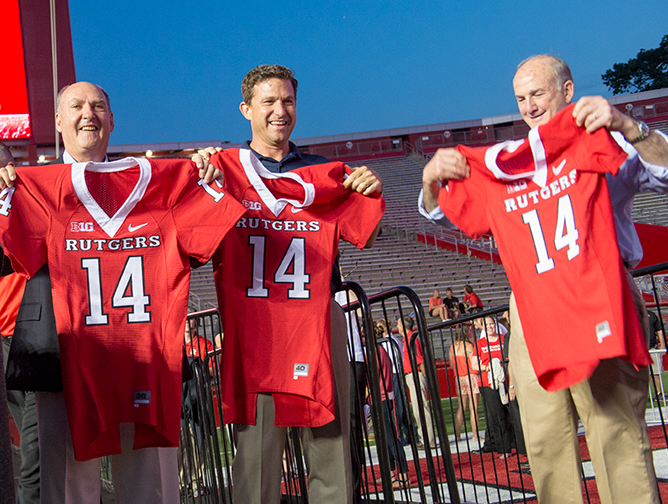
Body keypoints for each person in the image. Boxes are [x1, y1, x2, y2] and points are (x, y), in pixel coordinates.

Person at [419, 54, 668, 503]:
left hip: (600, 289)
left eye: (538, 93)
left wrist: (631, 127)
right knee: (545, 438)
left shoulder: (598, 137)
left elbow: (665, 170)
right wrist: (429, 180)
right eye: (520, 98)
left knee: (614, 428)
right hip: (533, 304)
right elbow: (442, 214)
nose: (529, 106)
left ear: (568, 91)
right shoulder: (499, 165)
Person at [0, 82, 243, 504]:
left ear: (112, 120)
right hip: (61, 353)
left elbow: (207, 246)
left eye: (98, 106)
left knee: (151, 484)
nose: (87, 113)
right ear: (58, 122)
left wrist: (204, 177)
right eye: (76, 106)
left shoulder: (161, 186)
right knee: (64, 484)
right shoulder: (31, 188)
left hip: (146, 357)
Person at [197, 64, 383, 504]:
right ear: (246, 109)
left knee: (331, 452)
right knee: (257, 462)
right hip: (255, 326)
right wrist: (195, 170)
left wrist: (370, 191)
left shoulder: (325, 173)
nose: (280, 110)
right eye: (269, 101)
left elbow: (368, 236)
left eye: (287, 101)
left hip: (317, 319)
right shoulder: (223, 171)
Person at [0, 143, 39, 504]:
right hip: (7, 342)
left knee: (35, 451)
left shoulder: (31, 199)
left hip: (37, 339)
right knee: (31, 443)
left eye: (8, 167)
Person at [371, 325, 409, 489]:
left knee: (391, 438)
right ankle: (392, 471)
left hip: (381, 397)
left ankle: (403, 474)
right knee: (385, 440)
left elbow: (372, 376)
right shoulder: (379, 351)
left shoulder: (376, 353)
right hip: (379, 397)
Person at [471, 317, 514, 457]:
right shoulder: (480, 343)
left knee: (512, 414)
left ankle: (519, 445)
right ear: (483, 327)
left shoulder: (504, 339)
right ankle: (504, 449)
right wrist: (488, 367)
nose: (490, 327)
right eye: (487, 325)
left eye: (492, 324)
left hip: (507, 381)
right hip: (487, 383)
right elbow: (474, 365)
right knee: (496, 416)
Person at [397, 315, 435, 450]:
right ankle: (425, 438)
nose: (397, 327)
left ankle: (428, 440)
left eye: (399, 324)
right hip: (412, 375)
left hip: (415, 375)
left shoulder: (411, 339)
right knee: (418, 409)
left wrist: (426, 378)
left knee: (421, 408)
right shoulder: (408, 338)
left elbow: (420, 360)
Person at [448, 325, 481, 443]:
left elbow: (452, 365)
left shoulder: (452, 347)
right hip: (471, 376)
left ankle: (457, 435)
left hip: (459, 377)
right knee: (474, 408)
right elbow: (473, 363)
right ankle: (475, 435)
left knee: (461, 407)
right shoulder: (469, 346)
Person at [647, 307, 666, 397]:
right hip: (640, 349)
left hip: (652, 348)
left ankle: (659, 393)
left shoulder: (652, 315)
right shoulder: (633, 316)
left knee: (656, 372)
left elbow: (659, 331)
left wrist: (662, 344)